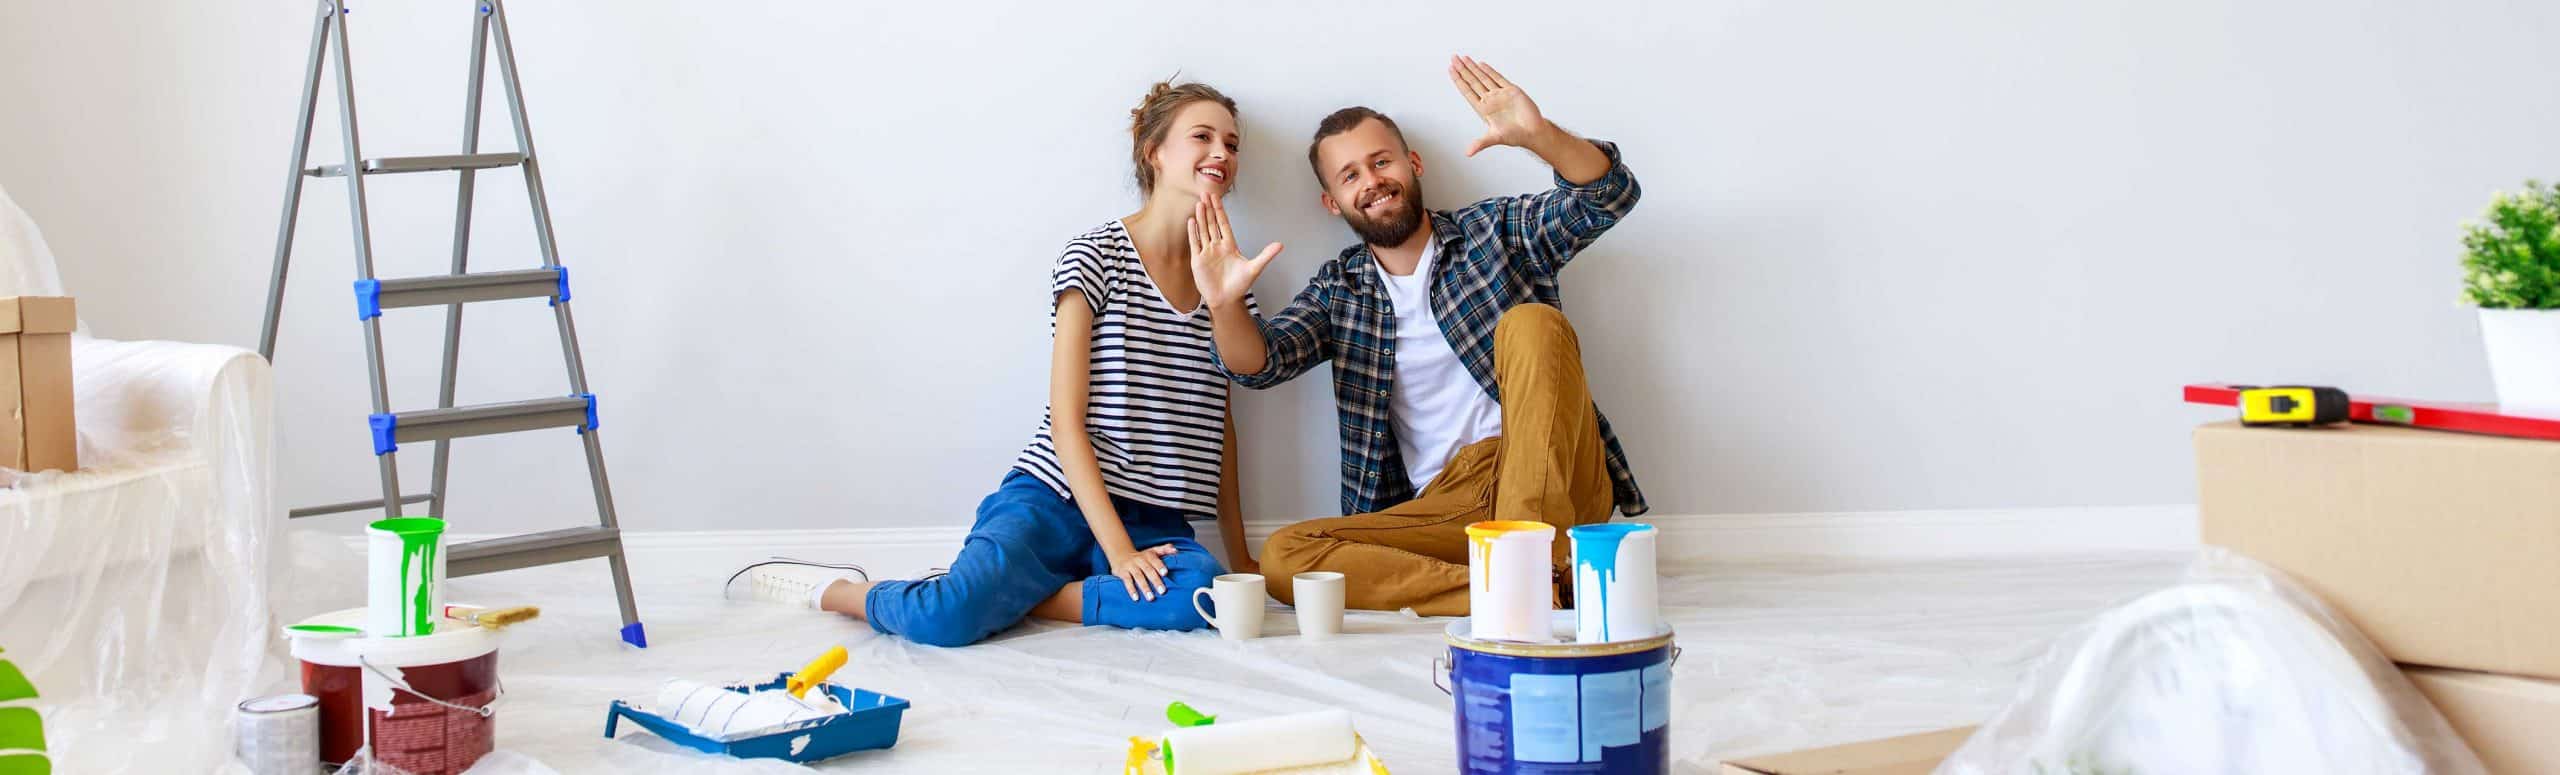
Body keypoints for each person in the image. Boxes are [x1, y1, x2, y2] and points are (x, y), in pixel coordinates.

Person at [730, 80, 1261, 647]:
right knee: (947, 618)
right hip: (1053, 499)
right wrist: (1118, 552)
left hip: (1155, 517)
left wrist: (1241, 553)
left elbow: (1222, 421)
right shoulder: (1096, 255)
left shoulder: (1229, 279)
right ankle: (838, 590)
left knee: (1203, 593)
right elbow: (1065, 421)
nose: (1222, 155)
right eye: (1202, 137)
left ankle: (1015, 597)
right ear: (1154, 151)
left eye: (1231, 144)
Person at [1188, 56, 1643, 615]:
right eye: (1350, 175)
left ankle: (1526, 560)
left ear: (1414, 164)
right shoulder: (1341, 291)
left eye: (1381, 162)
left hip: (1553, 469)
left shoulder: (1493, 233)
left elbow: (1609, 195)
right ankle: (1526, 589)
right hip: (1450, 505)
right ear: (1333, 203)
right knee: (1286, 556)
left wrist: (1539, 136)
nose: (1372, 181)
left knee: (1532, 322)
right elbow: (1257, 365)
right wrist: (1224, 302)